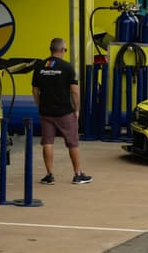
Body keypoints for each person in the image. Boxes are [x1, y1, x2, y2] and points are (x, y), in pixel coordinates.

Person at [32, 38, 93, 185]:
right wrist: (77, 109)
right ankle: (77, 174)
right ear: (63, 50)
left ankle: (49, 175)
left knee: (47, 142)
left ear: (50, 49)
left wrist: (40, 105)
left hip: (46, 111)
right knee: (73, 143)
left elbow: (35, 90)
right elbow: (75, 91)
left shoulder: (40, 66)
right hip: (65, 111)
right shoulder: (67, 67)